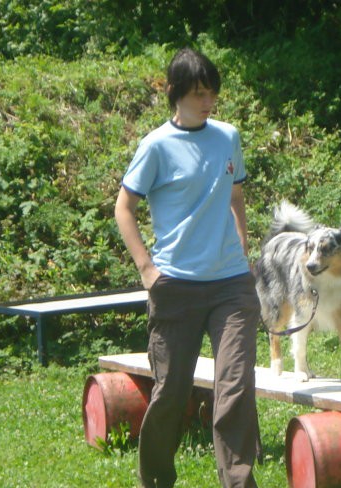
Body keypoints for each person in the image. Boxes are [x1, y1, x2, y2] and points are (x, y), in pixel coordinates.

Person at [114, 47, 261, 488]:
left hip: (232, 286)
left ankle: (239, 483)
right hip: (175, 285)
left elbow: (236, 194)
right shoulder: (156, 146)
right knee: (169, 393)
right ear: (174, 92)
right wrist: (147, 269)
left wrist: (242, 247)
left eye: (212, 92)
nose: (208, 100)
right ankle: (155, 480)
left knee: (234, 389)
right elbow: (124, 208)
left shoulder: (228, 135)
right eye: (198, 92)